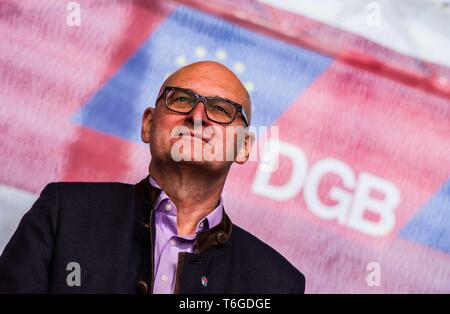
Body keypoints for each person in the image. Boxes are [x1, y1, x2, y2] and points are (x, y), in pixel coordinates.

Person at [0, 61, 305, 293]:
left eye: (221, 109)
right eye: (182, 100)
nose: (198, 116)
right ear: (148, 124)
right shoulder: (64, 212)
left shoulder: (276, 282)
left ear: (244, 147)